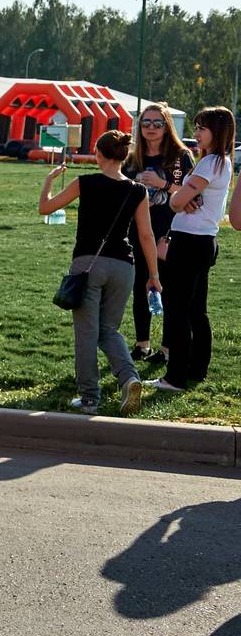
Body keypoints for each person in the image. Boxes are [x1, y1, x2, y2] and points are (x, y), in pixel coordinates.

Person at [38, 130, 160, 413]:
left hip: (88, 264)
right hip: (124, 267)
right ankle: (129, 378)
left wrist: (48, 181)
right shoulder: (138, 190)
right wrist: (154, 276)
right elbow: (146, 235)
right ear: (124, 156)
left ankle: (90, 397)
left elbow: (45, 208)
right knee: (109, 330)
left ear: (98, 154)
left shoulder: (85, 182)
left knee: (87, 333)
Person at [152, 107, 235, 393]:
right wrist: (184, 196)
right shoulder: (221, 161)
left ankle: (175, 377)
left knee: (177, 309)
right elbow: (184, 198)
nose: (196, 133)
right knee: (196, 311)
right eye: (196, 127)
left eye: (202, 128)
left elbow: (176, 202)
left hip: (189, 241)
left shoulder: (210, 162)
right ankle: (196, 370)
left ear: (218, 131)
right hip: (203, 240)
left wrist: (180, 198)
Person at [123, 103, 194, 364]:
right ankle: (142, 345)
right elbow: (122, 192)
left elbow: (192, 192)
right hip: (138, 232)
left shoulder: (180, 156)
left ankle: (166, 349)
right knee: (141, 285)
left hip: (170, 232)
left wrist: (161, 184)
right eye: (145, 123)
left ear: (167, 126)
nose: (151, 128)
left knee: (169, 289)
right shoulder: (132, 159)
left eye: (157, 123)